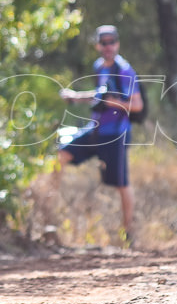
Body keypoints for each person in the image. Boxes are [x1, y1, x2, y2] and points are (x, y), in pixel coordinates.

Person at [57, 25, 143, 245]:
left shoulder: (124, 70)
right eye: (103, 43)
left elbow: (137, 105)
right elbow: (99, 97)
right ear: (98, 45)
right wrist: (76, 97)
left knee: (121, 183)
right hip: (95, 130)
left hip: (116, 134)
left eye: (111, 42)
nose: (108, 47)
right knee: (62, 155)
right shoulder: (99, 67)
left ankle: (129, 234)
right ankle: (49, 212)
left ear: (118, 43)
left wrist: (115, 102)